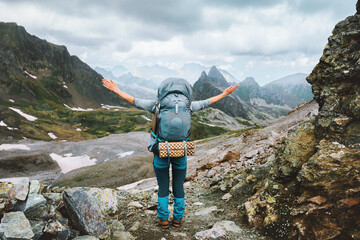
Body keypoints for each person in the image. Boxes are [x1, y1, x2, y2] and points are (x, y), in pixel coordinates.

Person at [102, 78, 238, 228]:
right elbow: (208, 102)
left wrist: (115, 89)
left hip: (161, 151)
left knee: (163, 185)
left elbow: (134, 100)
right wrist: (224, 93)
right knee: (178, 185)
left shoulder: (157, 106)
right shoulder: (188, 106)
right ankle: (178, 218)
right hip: (180, 151)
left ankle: (163, 219)